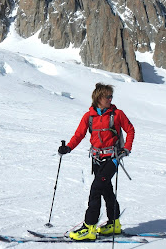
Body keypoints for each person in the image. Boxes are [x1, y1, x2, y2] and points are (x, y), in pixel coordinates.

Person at [58, 83, 135, 241]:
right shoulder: (89, 116)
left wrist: (126, 149)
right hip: (96, 159)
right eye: (108, 96)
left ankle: (89, 227)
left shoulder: (117, 114)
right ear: (99, 98)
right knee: (106, 190)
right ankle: (114, 224)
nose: (110, 99)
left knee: (96, 189)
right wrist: (68, 148)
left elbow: (130, 130)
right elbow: (79, 135)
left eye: (111, 96)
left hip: (112, 158)